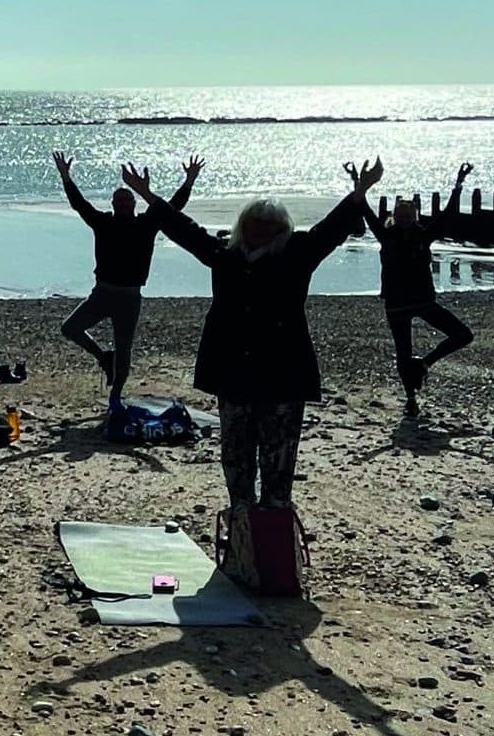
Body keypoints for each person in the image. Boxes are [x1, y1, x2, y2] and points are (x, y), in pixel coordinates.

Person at [122, 158, 381, 513]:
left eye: (271, 225)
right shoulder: (224, 254)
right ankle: (241, 520)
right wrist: (147, 195)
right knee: (236, 456)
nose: (262, 230)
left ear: (282, 229)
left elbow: (331, 230)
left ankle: (276, 522)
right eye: (255, 223)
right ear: (242, 225)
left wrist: (359, 193)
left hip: (284, 375)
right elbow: (183, 229)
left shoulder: (297, 253)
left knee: (279, 460)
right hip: (233, 372)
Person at [54, 151, 203, 424]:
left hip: (129, 298)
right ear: (113, 205)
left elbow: (173, 207)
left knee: (125, 350)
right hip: (102, 293)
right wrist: (66, 177)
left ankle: (116, 396)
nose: (122, 204)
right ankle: (103, 357)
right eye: (118, 201)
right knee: (70, 328)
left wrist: (189, 180)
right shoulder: (103, 222)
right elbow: (79, 204)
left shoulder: (146, 224)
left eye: (127, 200)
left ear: (134, 204)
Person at [362, 162, 476, 417]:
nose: (404, 219)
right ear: (395, 216)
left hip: (423, 301)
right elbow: (365, 209)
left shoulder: (423, 236)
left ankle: (425, 364)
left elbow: (448, 213)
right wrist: (358, 184)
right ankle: (411, 398)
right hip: (396, 304)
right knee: (403, 353)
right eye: (400, 215)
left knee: (463, 335)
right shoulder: (385, 235)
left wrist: (459, 182)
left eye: (408, 215)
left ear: (414, 217)